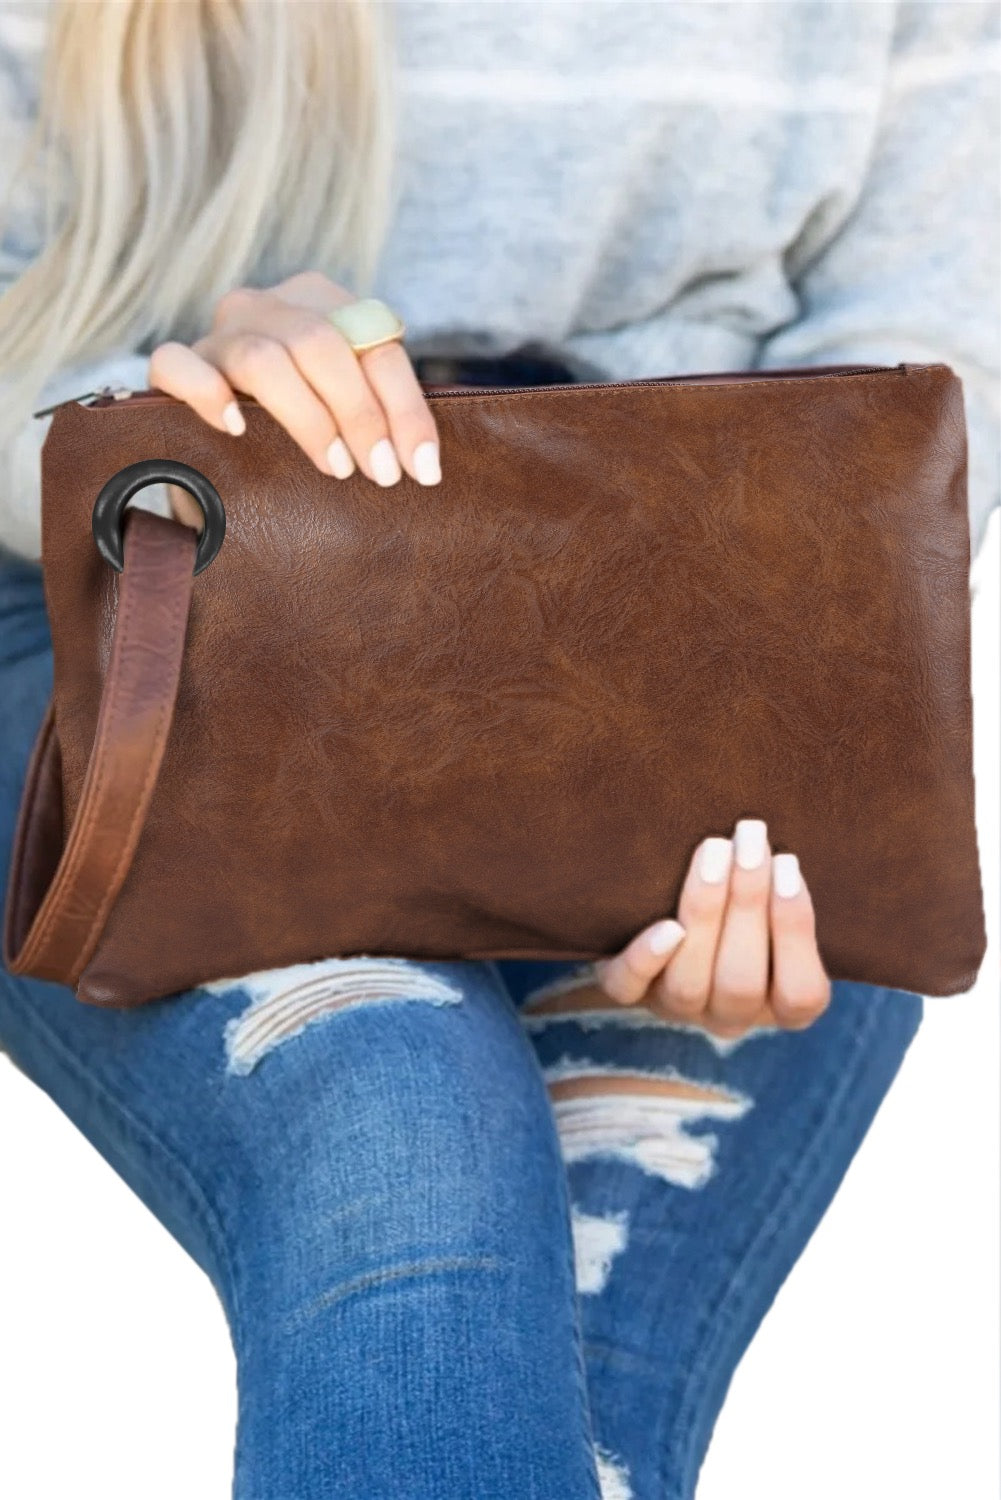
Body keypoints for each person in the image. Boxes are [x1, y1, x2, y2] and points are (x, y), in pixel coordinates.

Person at [0, 2, 996, 1497]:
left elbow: (918, 383)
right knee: (409, 1168)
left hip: (715, 695)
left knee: (519, 1390)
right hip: (166, 663)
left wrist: (770, 743)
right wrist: (162, 398)